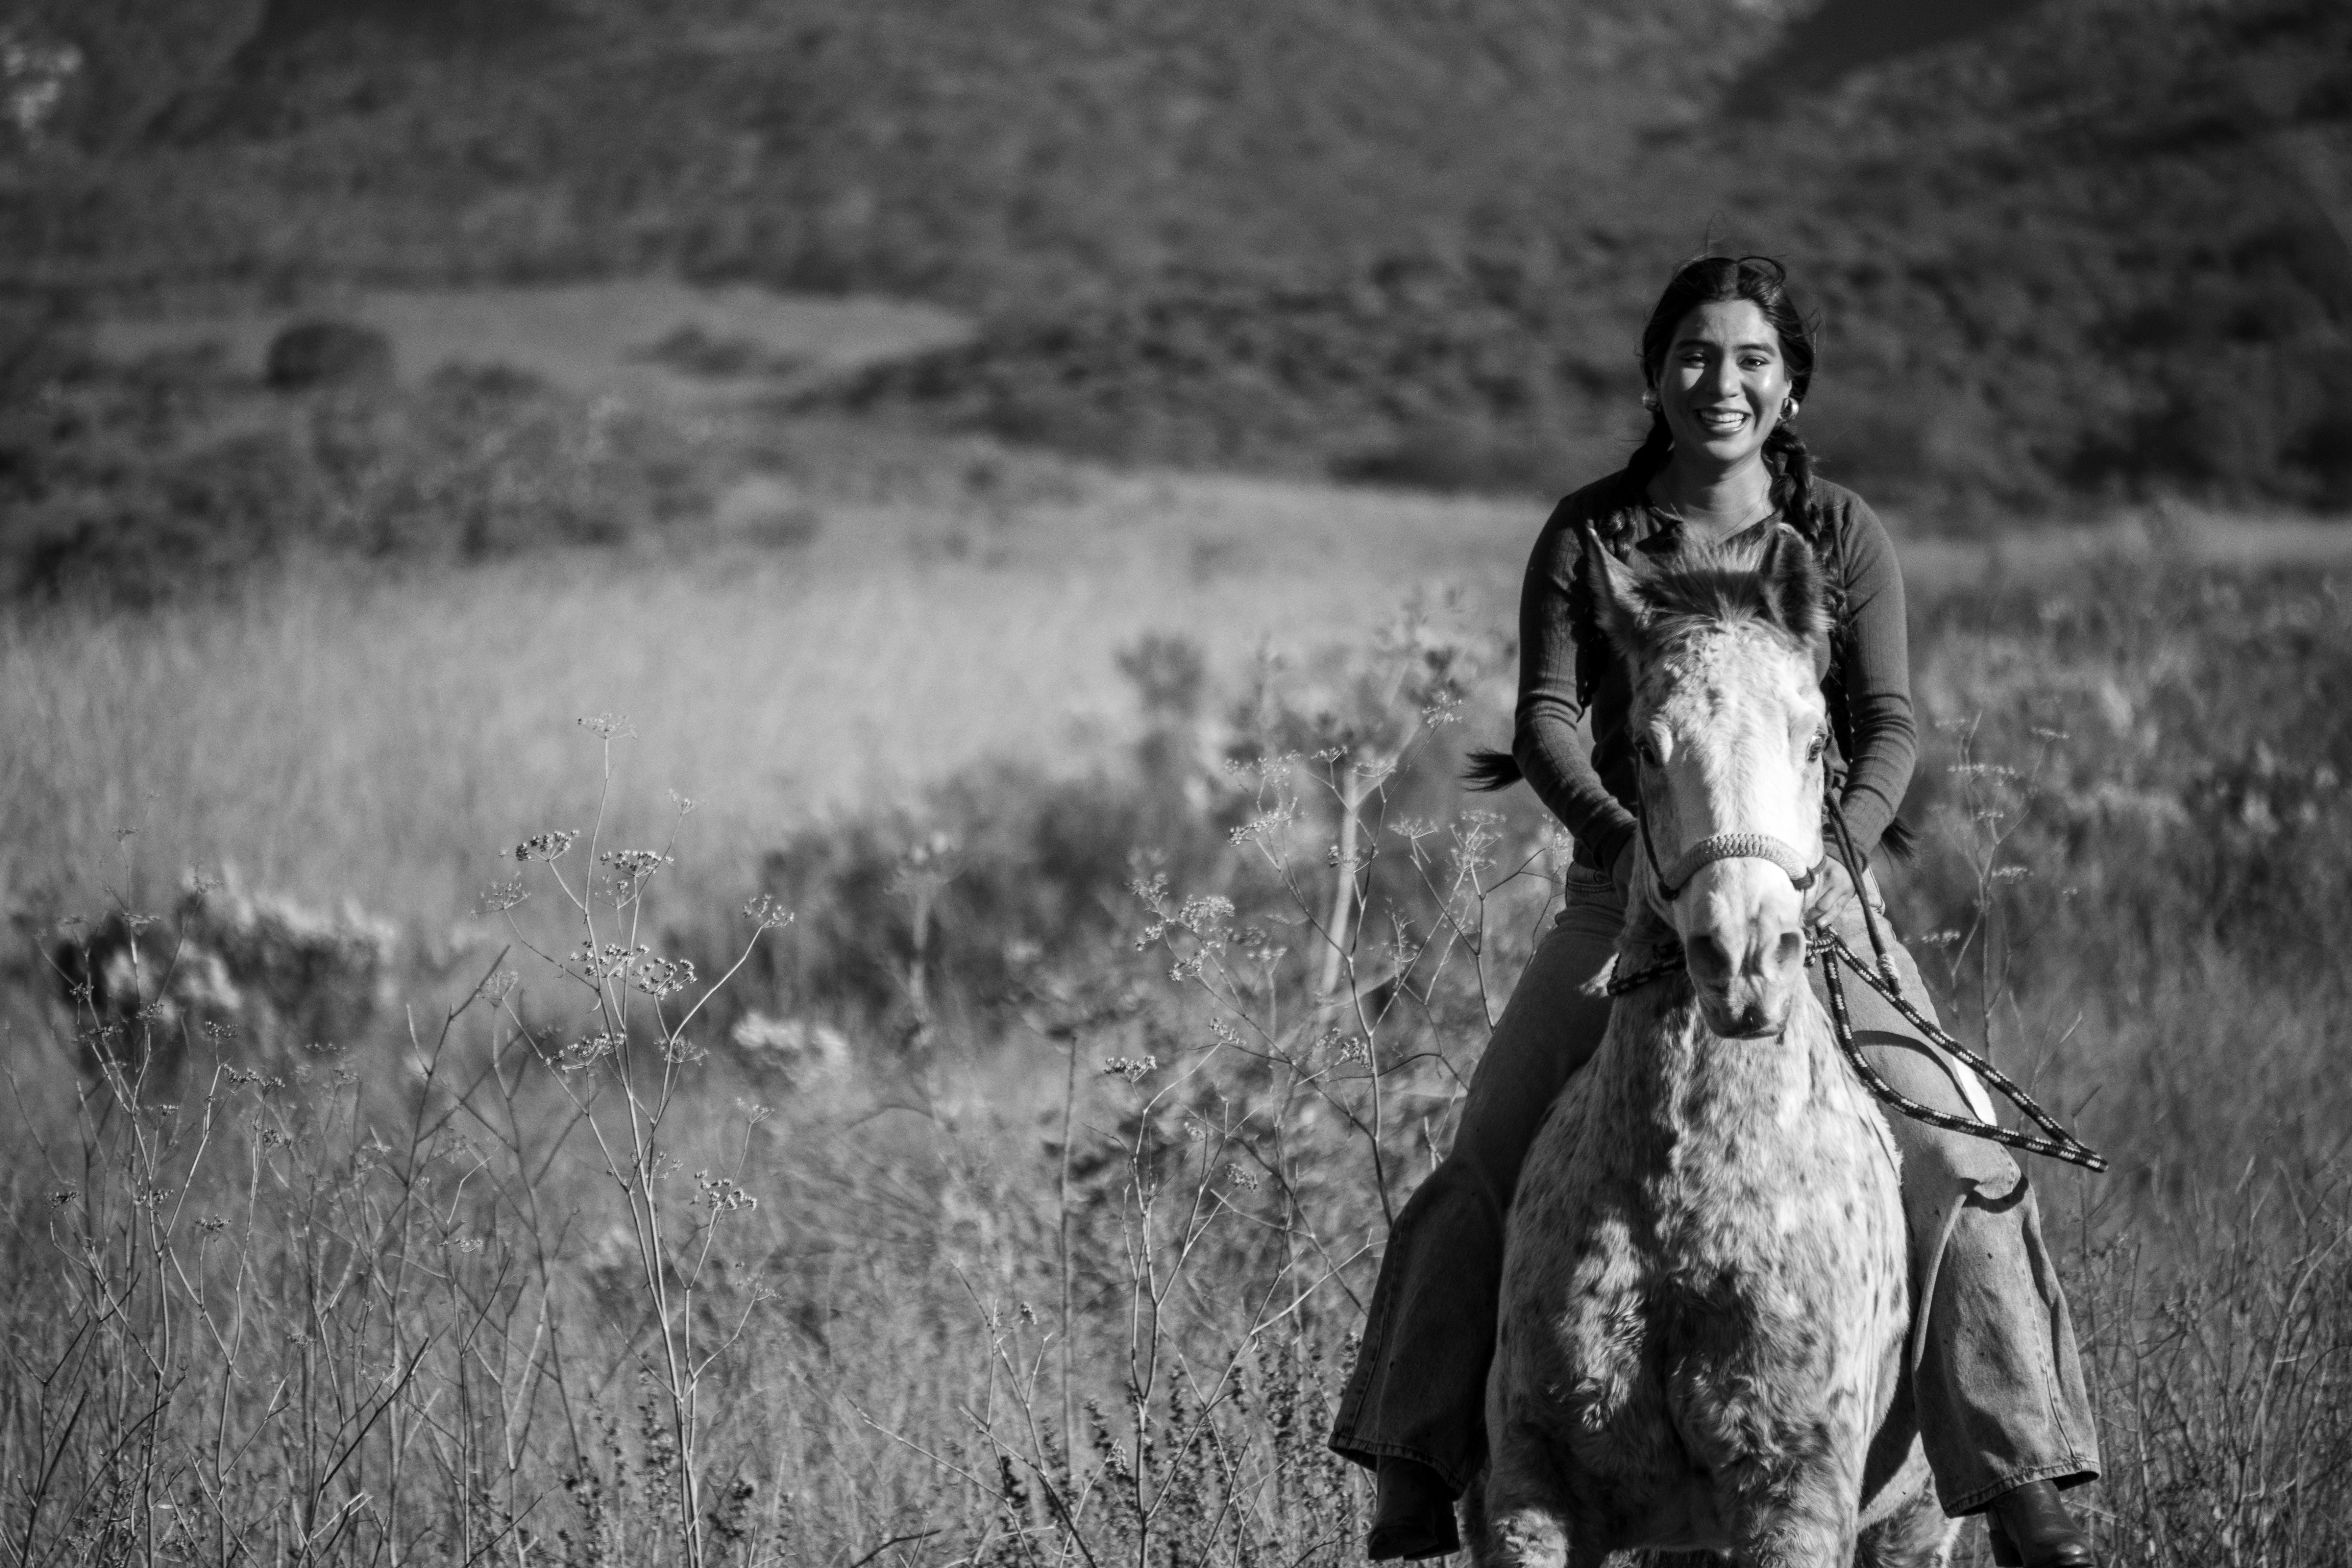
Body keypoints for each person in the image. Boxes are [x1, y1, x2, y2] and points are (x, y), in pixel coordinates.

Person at [1327, 255, 2102, 1568]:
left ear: (1790, 382)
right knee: (1492, 1148)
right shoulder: (1590, 533)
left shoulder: (1843, 536)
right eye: (1695, 354)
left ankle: (2024, 1472)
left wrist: (1820, 868)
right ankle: (1417, 1459)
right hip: (1619, 899)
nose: (1722, 381)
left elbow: (1892, 724)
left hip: (1820, 901)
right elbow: (1550, 723)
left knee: (1959, 1149)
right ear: (1654, 375)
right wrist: (1645, 859)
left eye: (1750, 358)